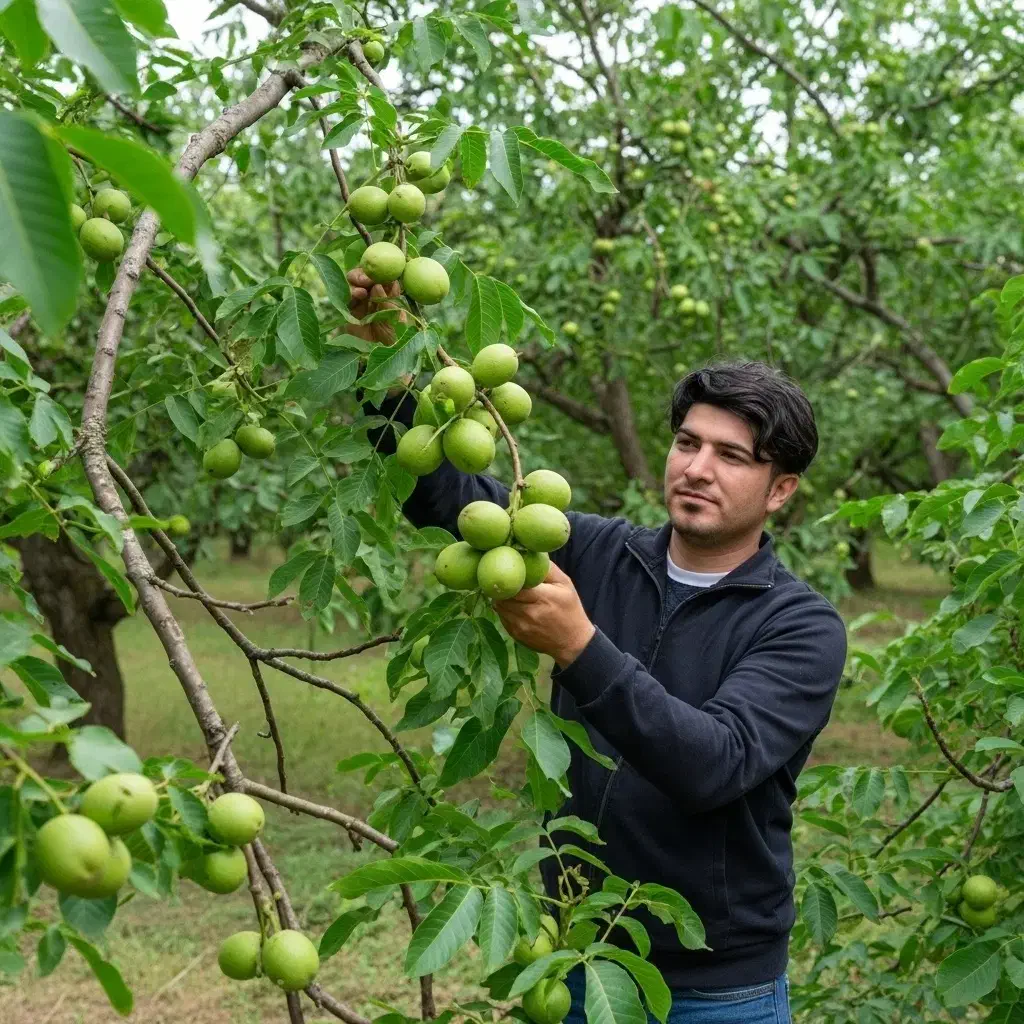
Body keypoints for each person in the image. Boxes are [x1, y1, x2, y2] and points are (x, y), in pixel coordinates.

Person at [348, 269, 847, 1024]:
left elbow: (713, 764)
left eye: (732, 457)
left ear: (781, 490)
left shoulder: (802, 627)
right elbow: (447, 498)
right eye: (687, 443)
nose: (698, 469)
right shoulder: (594, 549)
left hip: (718, 990)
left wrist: (580, 645)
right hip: (570, 957)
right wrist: (390, 367)